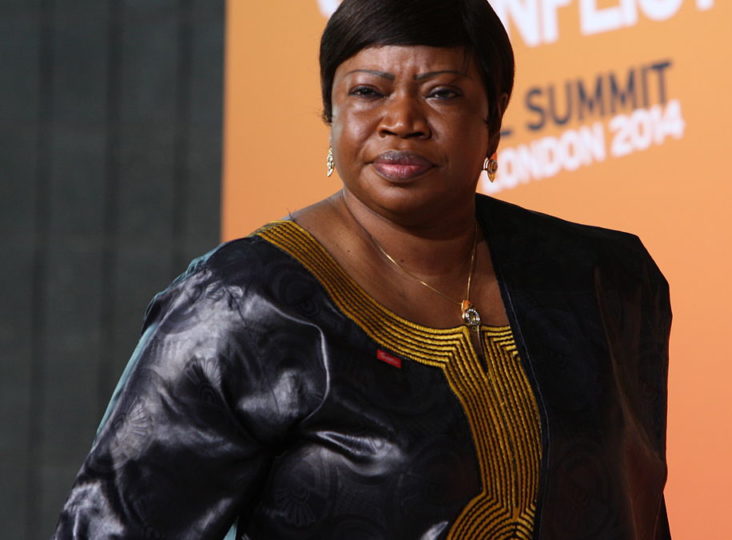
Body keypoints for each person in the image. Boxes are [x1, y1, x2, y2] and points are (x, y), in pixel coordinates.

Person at [55, 0, 672, 538]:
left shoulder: (604, 281)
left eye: (442, 92)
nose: (401, 120)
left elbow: (639, 514)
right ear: (332, 113)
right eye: (367, 91)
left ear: (496, 114)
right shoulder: (241, 304)